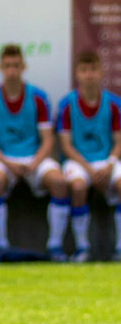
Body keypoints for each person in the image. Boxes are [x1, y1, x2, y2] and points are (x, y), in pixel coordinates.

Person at [0, 44, 69, 260]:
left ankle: (55, 247)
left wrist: (34, 164)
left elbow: (48, 140)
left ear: (24, 66)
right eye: (8, 66)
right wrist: (9, 164)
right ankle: (1, 245)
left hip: (34, 158)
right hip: (3, 158)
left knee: (59, 182)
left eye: (16, 66)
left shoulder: (38, 97)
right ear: (0, 67)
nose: (12, 71)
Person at [55, 50, 121, 262]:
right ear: (77, 74)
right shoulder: (67, 104)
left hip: (107, 160)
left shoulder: (113, 104)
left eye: (93, 69)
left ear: (101, 71)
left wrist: (110, 164)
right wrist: (89, 168)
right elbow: (66, 146)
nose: (89, 74)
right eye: (84, 70)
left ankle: (119, 247)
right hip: (79, 162)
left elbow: (119, 141)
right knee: (78, 186)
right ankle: (83, 247)